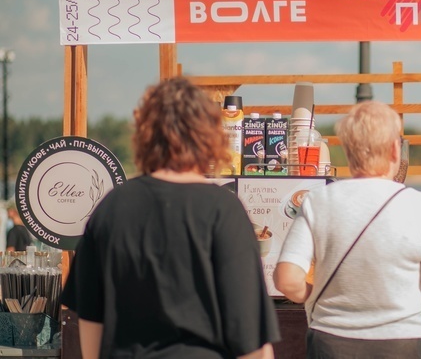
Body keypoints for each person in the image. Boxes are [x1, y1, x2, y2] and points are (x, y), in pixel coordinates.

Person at [61, 78, 280, 359]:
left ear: (144, 135)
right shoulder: (224, 210)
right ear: (210, 136)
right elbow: (251, 337)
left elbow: (91, 318)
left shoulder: (111, 208)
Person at [274, 101, 421, 359]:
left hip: (331, 340)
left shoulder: (318, 200)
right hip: (403, 341)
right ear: (395, 149)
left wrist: (317, 299)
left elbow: (287, 280)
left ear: (347, 150)